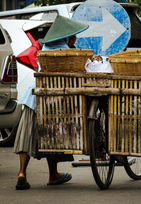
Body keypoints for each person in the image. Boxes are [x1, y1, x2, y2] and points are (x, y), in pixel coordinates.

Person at [14, 16, 89, 190]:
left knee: (27, 137)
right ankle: (53, 174)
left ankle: (22, 173)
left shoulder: (45, 50)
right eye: (73, 36)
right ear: (66, 37)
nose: (75, 39)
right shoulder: (70, 54)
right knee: (53, 137)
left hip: (34, 98)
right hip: (55, 103)